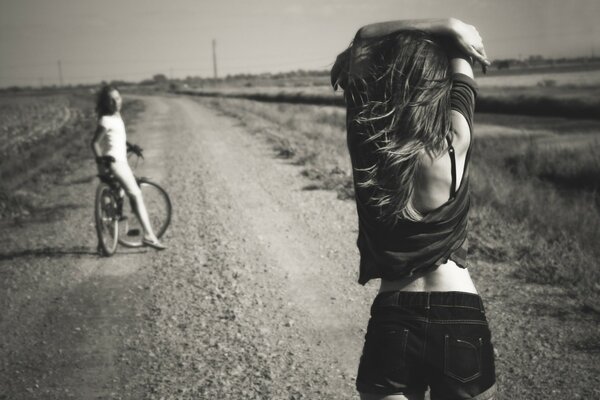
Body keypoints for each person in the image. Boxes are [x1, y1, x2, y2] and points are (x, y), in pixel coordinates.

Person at [331, 18, 495, 400]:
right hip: (461, 313)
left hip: (394, 313)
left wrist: (444, 26)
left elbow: (362, 38)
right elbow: (462, 52)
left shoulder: (368, 142)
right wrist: (452, 28)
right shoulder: (456, 139)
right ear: (437, 86)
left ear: (385, 82)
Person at [91, 85, 166, 252]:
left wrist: (131, 147)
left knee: (118, 194)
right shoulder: (106, 119)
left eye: (117, 98)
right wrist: (101, 160)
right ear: (105, 102)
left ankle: (103, 240)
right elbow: (95, 143)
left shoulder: (117, 117)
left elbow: (117, 138)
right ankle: (148, 235)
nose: (115, 102)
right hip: (114, 161)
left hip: (120, 160)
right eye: (111, 100)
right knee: (136, 194)